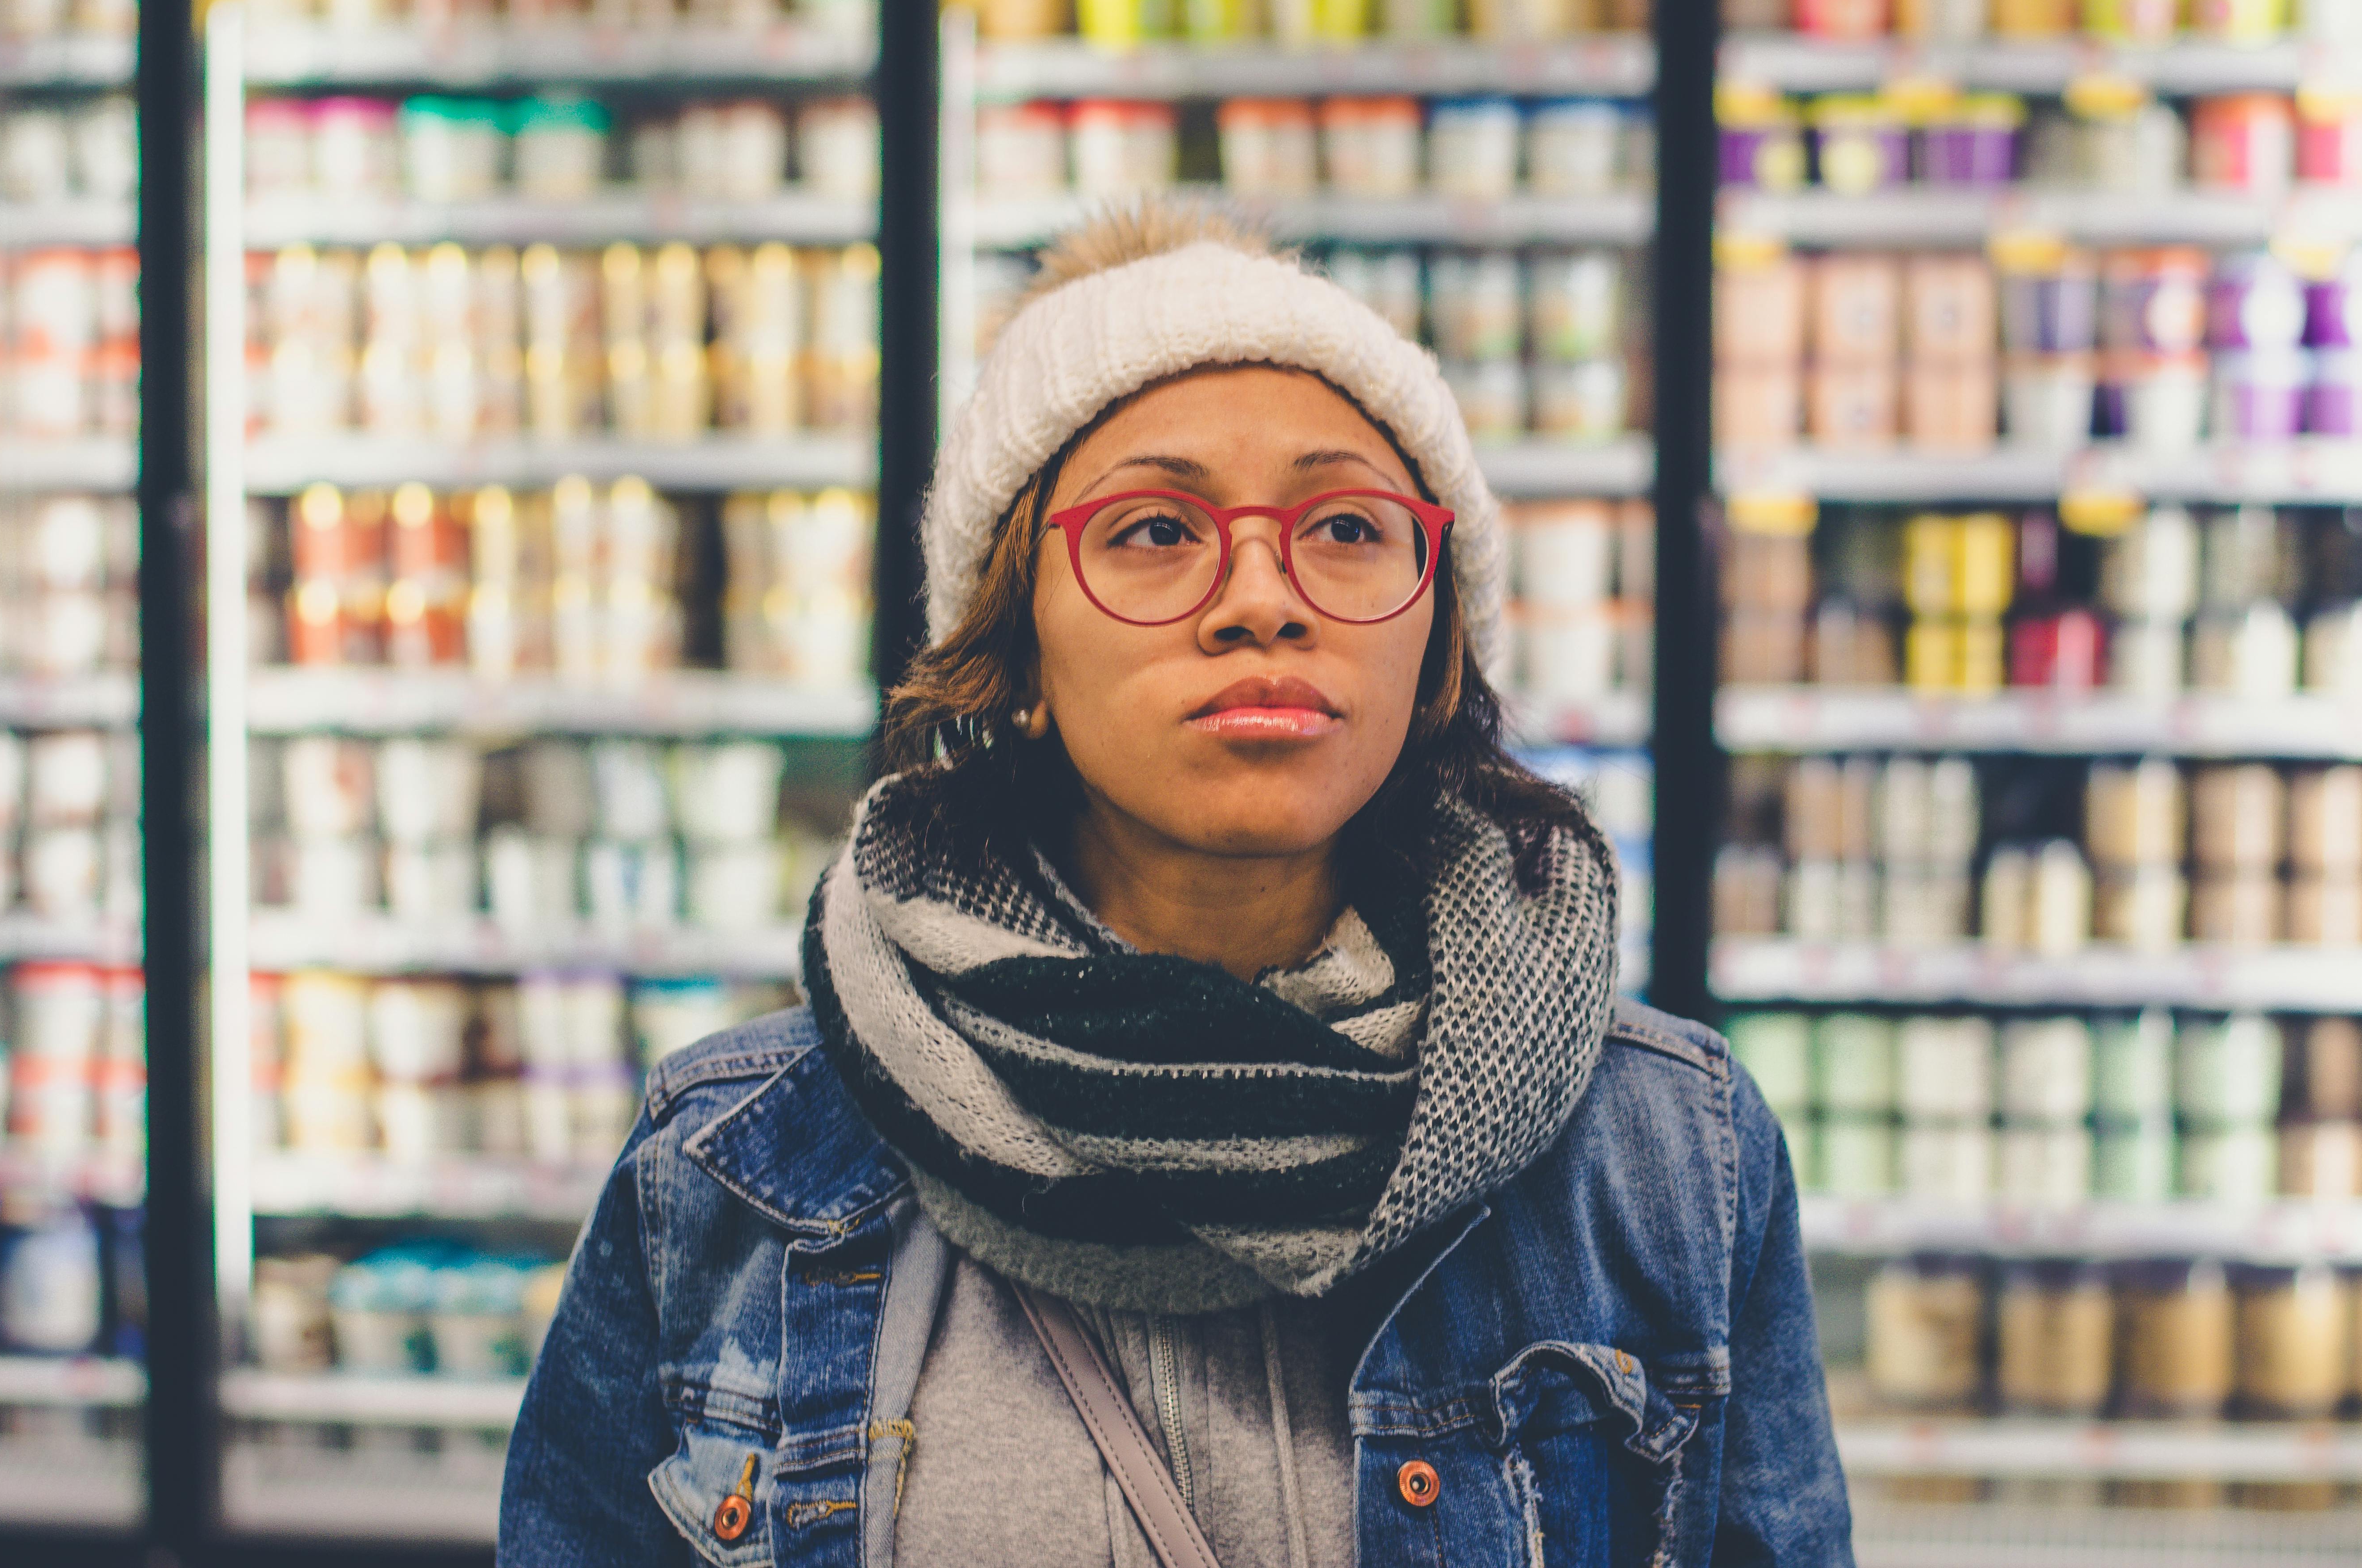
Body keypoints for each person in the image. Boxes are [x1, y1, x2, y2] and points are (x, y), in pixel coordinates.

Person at [499, 202, 1852, 1567]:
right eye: (1154, 529)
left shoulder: (1670, 1157)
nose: (1261, 596)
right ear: (1013, 640)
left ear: (1433, 632)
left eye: (1343, 525)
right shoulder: (735, 1170)